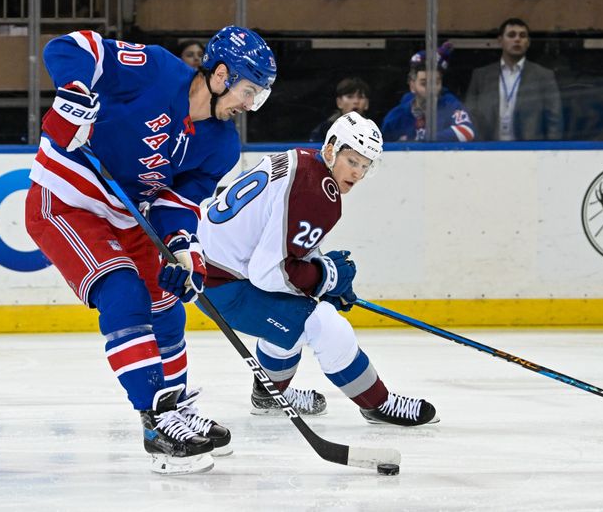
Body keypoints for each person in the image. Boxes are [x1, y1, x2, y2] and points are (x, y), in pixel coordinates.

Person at [24, 26, 277, 474]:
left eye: (258, 97)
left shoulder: (221, 144)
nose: (249, 105)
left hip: (128, 214)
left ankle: (175, 407)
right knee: (123, 294)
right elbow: (69, 47)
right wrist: (76, 94)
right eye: (248, 91)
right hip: (66, 198)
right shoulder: (158, 70)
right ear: (221, 75)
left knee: (167, 303)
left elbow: (176, 203)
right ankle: (156, 420)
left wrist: (183, 250)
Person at [198, 111, 439, 427]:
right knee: (324, 323)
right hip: (222, 283)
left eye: (365, 166)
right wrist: (324, 279)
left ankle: (270, 394)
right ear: (331, 149)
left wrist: (323, 282)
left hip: (205, 267)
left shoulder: (302, 161)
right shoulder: (318, 192)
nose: (358, 173)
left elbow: (285, 245)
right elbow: (269, 272)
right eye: (352, 161)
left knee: (291, 313)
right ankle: (378, 404)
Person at [464, 18, 563, 141]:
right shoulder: (481, 76)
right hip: (488, 150)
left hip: (530, 151)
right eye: (511, 35)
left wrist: (551, 153)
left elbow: (554, 119)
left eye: (522, 36)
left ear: (528, 42)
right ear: (500, 41)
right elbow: (469, 116)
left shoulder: (543, 76)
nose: (517, 39)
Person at [381, 42, 475, 142]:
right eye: (424, 83)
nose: (431, 89)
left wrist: (420, 141)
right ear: (412, 86)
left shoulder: (451, 106)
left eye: (436, 82)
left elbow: (467, 131)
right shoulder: (397, 116)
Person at [308, 77, 371, 142]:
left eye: (360, 97)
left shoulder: (372, 129)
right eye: (350, 96)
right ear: (339, 102)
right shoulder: (324, 129)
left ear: (367, 103)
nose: (356, 101)